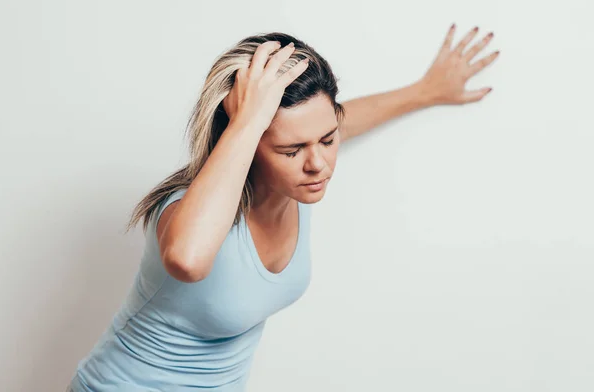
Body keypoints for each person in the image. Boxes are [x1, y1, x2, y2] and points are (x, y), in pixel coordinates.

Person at [66, 26, 499, 391]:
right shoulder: (185, 210)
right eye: (291, 150)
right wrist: (248, 120)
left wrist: (427, 91)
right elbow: (188, 260)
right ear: (247, 143)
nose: (318, 164)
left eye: (329, 140)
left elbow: (336, 122)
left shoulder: (300, 173)